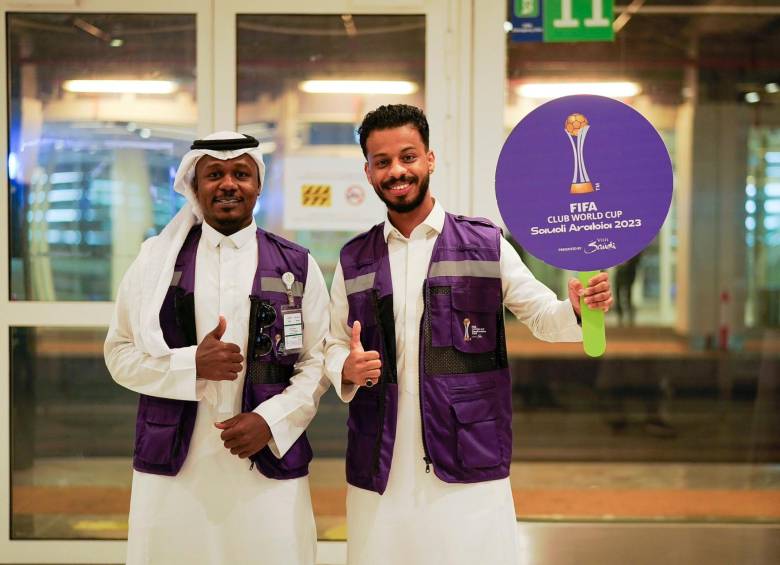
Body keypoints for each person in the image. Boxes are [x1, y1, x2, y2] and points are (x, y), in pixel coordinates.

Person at [324, 104, 612, 565]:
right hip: (382, 456)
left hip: (468, 449)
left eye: (408, 156)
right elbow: (334, 341)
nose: (397, 170)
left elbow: (541, 316)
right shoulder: (353, 258)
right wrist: (345, 366)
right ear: (369, 171)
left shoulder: (486, 244)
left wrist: (576, 310)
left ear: (430, 159)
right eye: (383, 162)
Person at [104, 131, 330, 565]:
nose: (228, 184)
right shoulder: (155, 262)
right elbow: (119, 354)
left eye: (241, 173)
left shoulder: (296, 265)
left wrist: (270, 420)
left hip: (267, 459)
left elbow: (315, 361)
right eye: (215, 174)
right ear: (194, 185)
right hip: (175, 465)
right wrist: (192, 364)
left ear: (258, 185)